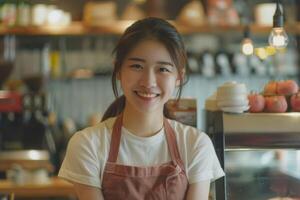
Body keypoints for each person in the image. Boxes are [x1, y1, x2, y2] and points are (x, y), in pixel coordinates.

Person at [58, 17, 225, 200]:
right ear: (119, 70)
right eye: (137, 66)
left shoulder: (196, 145)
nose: (148, 82)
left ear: (179, 77)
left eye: (162, 69)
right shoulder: (87, 145)